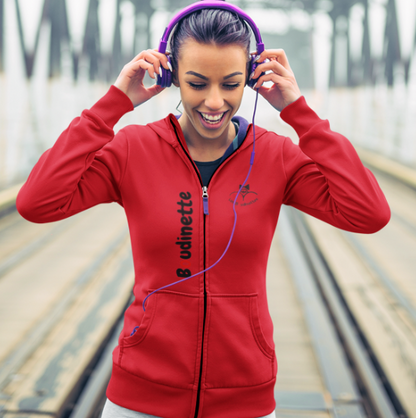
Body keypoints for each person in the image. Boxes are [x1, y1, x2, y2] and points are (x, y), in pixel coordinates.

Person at [16, 1, 390, 418]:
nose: (215, 102)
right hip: (140, 396)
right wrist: (113, 104)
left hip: (243, 396)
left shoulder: (274, 155)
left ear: (251, 79)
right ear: (172, 76)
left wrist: (298, 113)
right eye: (197, 83)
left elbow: (368, 213)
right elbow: (37, 203)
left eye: (231, 84)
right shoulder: (133, 150)